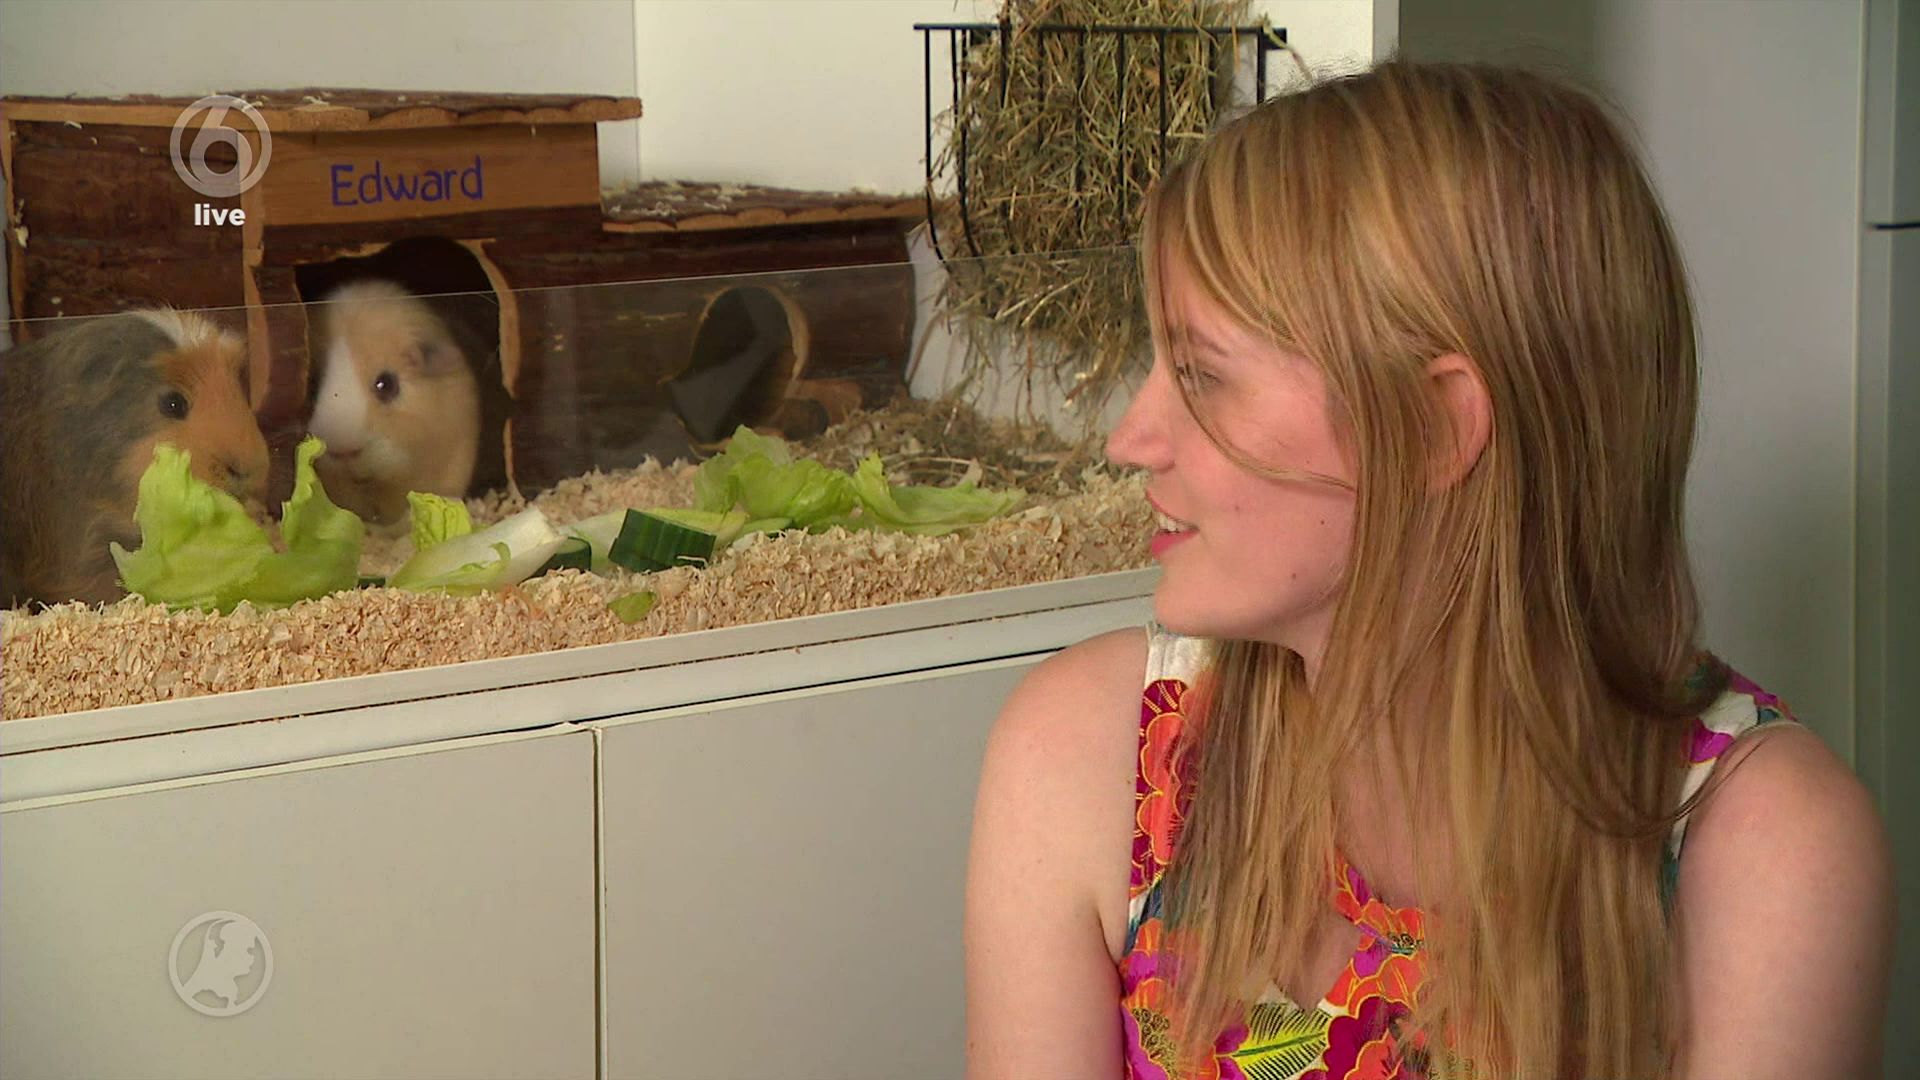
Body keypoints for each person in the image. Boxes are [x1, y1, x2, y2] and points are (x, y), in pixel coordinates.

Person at [963, 60, 1896, 1080]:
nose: (1131, 439)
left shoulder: (1764, 846)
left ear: (1436, 427)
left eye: (1203, 375)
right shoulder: (1091, 755)